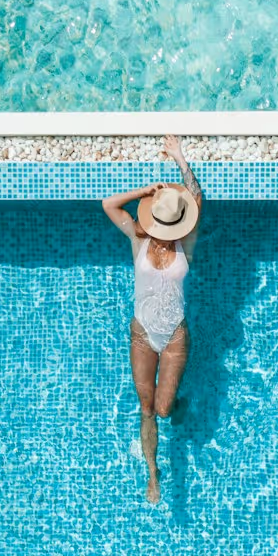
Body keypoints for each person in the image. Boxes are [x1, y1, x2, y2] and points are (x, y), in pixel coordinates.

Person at [101, 134, 203, 503]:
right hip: (143, 334)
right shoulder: (138, 237)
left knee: (163, 407)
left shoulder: (185, 242)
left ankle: (174, 404)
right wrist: (144, 189)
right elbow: (108, 204)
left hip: (174, 336)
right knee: (147, 409)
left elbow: (197, 197)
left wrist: (179, 157)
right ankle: (153, 474)